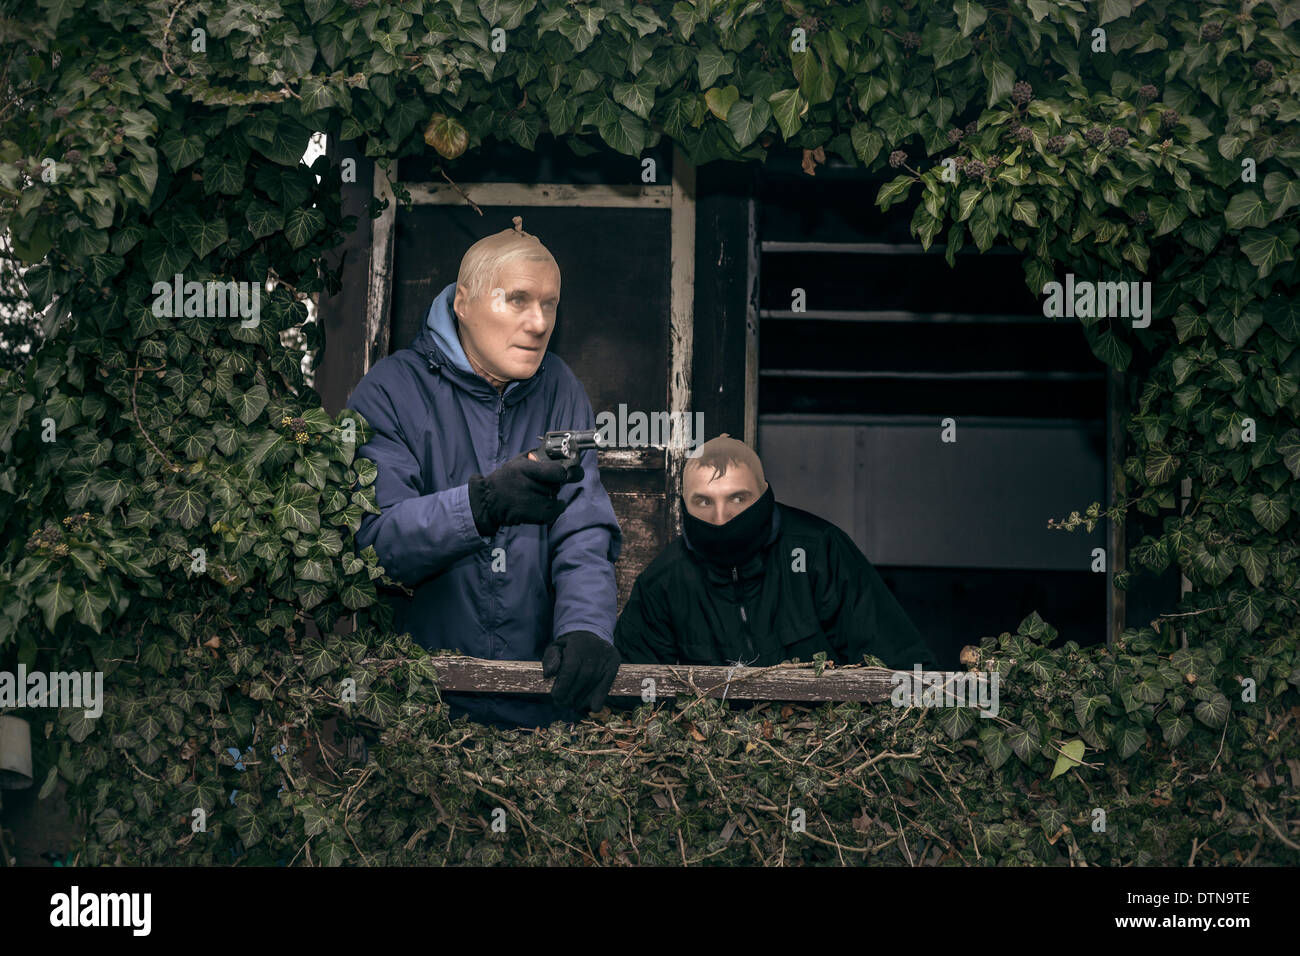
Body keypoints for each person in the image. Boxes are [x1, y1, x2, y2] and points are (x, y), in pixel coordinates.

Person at [346, 217, 622, 728]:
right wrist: (480, 506)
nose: (539, 323)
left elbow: (582, 530)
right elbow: (372, 546)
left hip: (537, 704)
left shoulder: (560, 387)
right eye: (517, 299)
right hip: (420, 710)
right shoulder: (390, 390)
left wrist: (586, 628)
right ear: (463, 303)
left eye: (550, 304)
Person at [614, 434, 937, 671]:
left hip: (825, 754)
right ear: (684, 506)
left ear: (764, 495)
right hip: (713, 760)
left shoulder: (820, 552)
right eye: (704, 502)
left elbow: (899, 664)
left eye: (738, 499)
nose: (721, 517)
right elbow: (631, 696)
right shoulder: (664, 583)